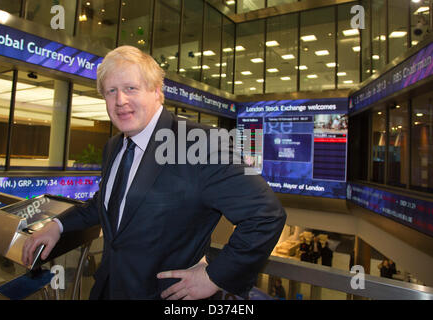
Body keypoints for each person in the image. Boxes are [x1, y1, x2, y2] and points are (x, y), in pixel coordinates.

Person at [21, 46, 286, 300]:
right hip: (107, 288)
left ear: (156, 91)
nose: (120, 100)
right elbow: (106, 203)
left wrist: (215, 277)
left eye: (130, 88)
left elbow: (265, 216)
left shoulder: (201, 142)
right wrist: (58, 225)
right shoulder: (115, 145)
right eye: (111, 91)